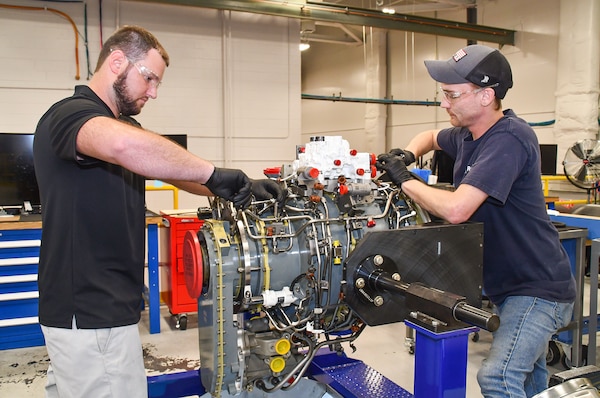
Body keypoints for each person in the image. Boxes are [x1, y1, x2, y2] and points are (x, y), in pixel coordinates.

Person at [33, 25, 283, 398]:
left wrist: (237, 188)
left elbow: (166, 166)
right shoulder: (70, 115)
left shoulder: (123, 125)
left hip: (103, 308)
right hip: (89, 311)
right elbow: (125, 146)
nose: (153, 92)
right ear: (117, 61)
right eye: (149, 79)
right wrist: (213, 174)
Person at [376, 44, 575, 397]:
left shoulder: (509, 138)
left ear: (486, 96)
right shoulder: (468, 134)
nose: (444, 103)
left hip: (537, 290)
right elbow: (430, 137)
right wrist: (408, 153)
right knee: (528, 381)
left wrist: (403, 178)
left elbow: (456, 210)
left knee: (498, 378)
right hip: (509, 288)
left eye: (451, 95)